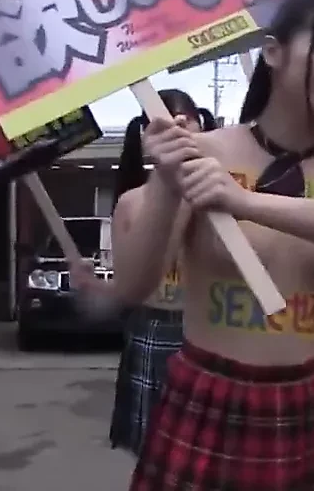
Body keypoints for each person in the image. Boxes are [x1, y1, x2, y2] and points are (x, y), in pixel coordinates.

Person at [115, 0, 314, 491]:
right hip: (210, 397)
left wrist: (241, 200)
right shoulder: (201, 153)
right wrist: (166, 183)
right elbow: (133, 286)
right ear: (273, 52)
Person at [69, 91, 216, 459]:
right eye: (165, 130)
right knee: (157, 457)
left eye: (187, 126)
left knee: (214, 457)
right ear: (148, 139)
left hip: (214, 332)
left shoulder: (227, 195)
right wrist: (92, 287)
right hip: (154, 331)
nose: (179, 137)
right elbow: (128, 289)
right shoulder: (132, 202)